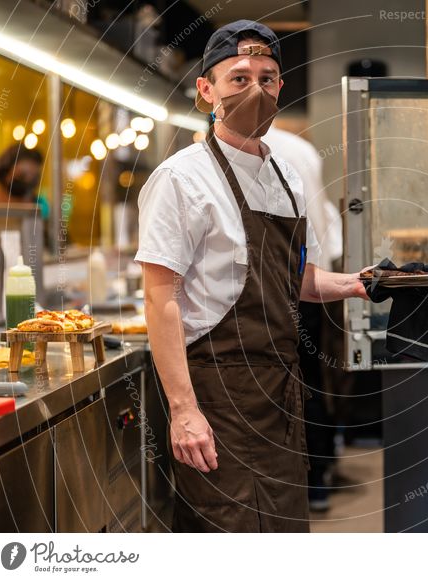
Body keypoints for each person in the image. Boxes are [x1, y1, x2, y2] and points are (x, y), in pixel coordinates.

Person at [135, 20, 368, 533]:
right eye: (238, 78)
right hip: (218, 395)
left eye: (267, 78)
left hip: (280, 395)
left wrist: (356, 282)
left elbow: (295, 279)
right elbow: (159, 300)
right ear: (206, 91)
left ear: (281, 88)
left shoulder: (285, 176)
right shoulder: (180, 179)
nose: (255, 90)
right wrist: (184, 411)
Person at [262, 126, 342, 511]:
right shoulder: (304, 149)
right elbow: (326, 221)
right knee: (310, 375)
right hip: (311, 280)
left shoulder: (247, 151)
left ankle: (301, 480)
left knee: (287, 381)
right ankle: (319, 475)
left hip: (281, 286)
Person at [0, 144, 48, 217]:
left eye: (34, 176)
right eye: (22, 175)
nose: (28, 180)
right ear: (5, 172)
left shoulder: (40, 205)